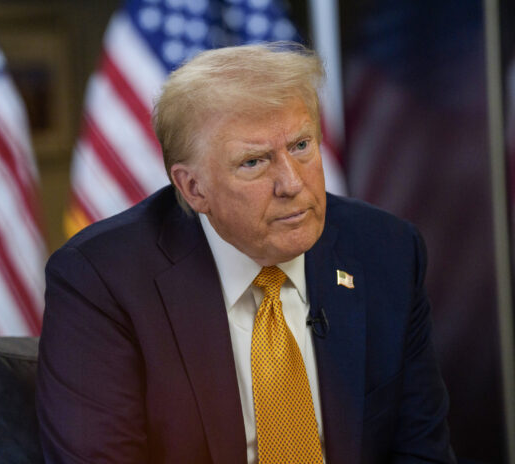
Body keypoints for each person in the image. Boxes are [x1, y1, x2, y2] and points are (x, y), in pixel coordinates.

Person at [36, 43, 455, 463]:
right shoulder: (101, 281)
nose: (291, 183)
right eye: (254, 162)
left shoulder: (385, 250)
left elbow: (421, 450)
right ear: (193, 188)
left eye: (301, 146)